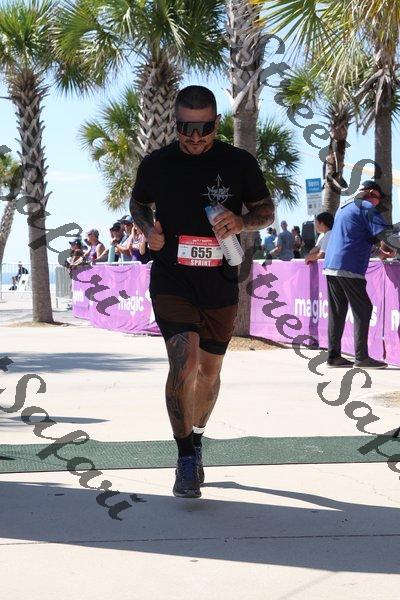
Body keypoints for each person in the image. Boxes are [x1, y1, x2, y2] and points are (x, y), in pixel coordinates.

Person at [130, 85, 274, 498]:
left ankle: (196, 439)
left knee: (209, 373)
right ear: (175, 123)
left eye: (205, 128)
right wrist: (148, 230)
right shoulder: (157, 164)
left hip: (220, 281)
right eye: (186, 128)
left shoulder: (239, 163)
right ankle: (185, 458)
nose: (195, 137)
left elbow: (266, 211)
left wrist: (241, 222)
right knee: (185, 363)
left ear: (217, 123)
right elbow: (138, 204)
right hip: (172, 279)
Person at [323, 180, 396, 369]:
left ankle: (333, 357)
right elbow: (386, 235)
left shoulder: (344, 207)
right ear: (371, 192)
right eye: (378, 199)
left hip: (331, 265)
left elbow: (355, 237)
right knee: (363, 309)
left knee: (337, 312)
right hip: (349, 266)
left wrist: (379, 253)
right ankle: (362, 357)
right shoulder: (365, 206)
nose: (378, 203)